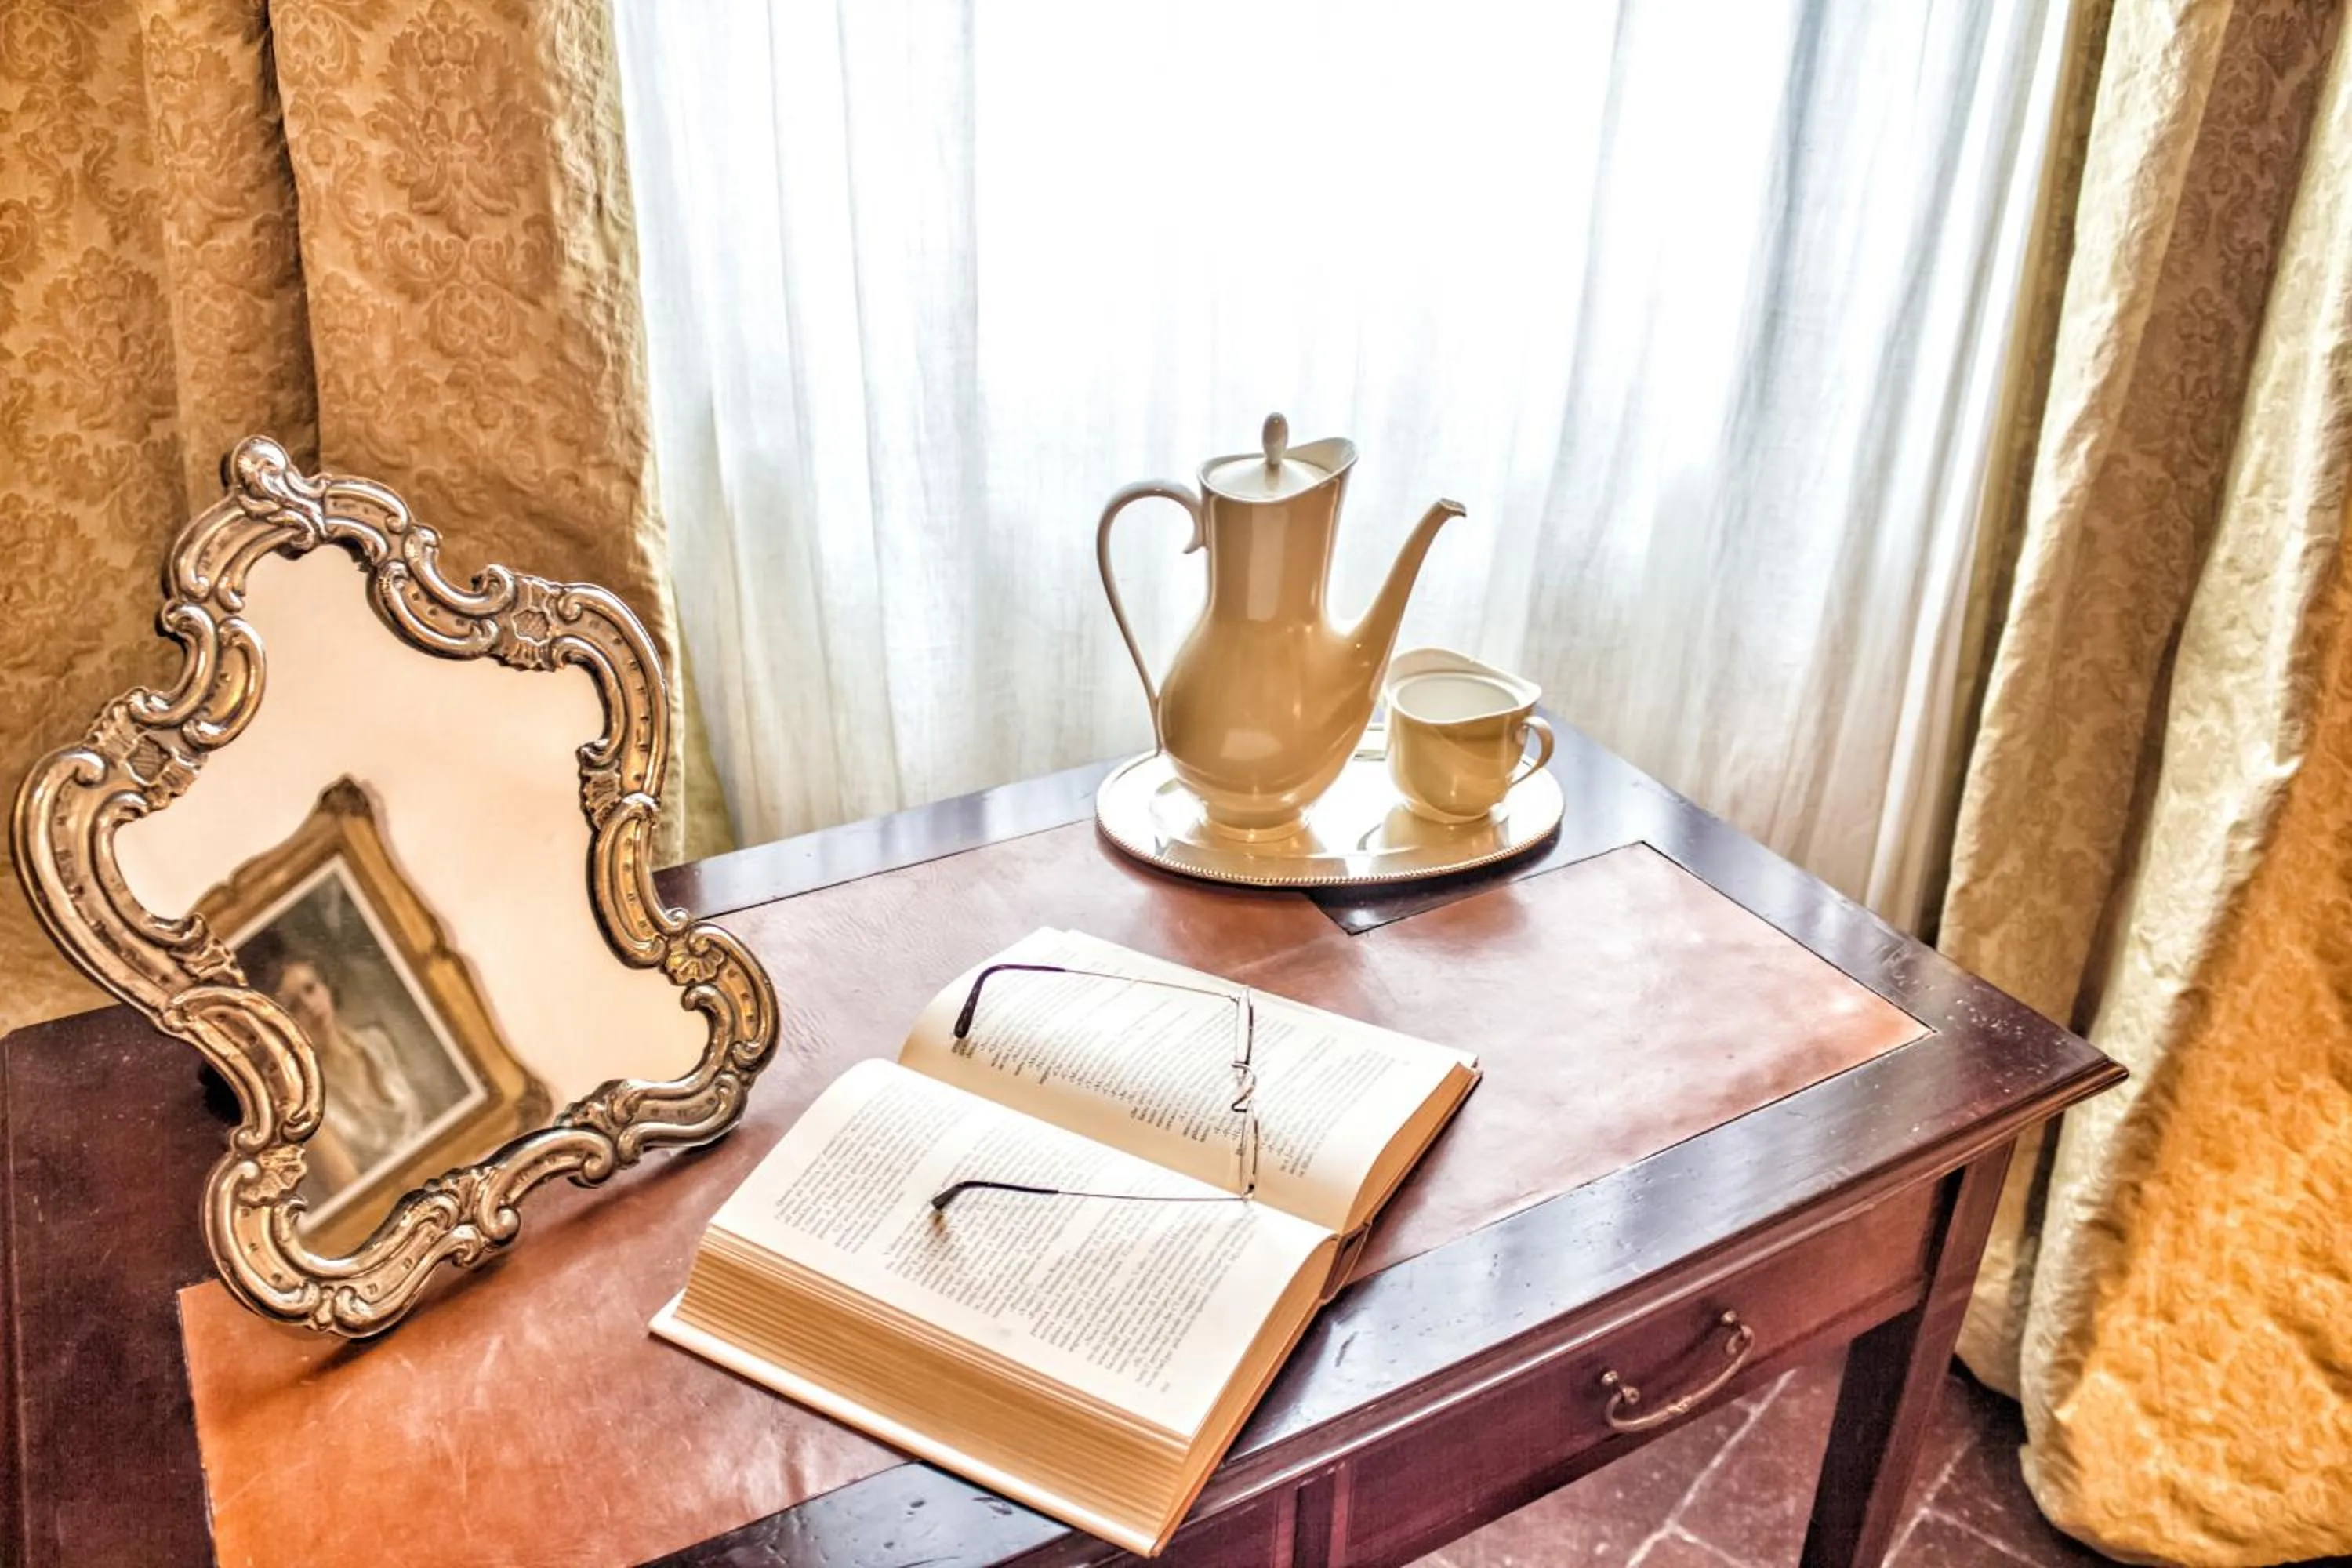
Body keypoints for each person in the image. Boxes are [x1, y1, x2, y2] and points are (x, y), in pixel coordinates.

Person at [241, 931, 429, 1194]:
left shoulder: (378, 1042)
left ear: (326, 986)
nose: (311, 1006)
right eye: (294, 1006)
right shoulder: (306, 1101)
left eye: (311, 989)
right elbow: (352, 1189)